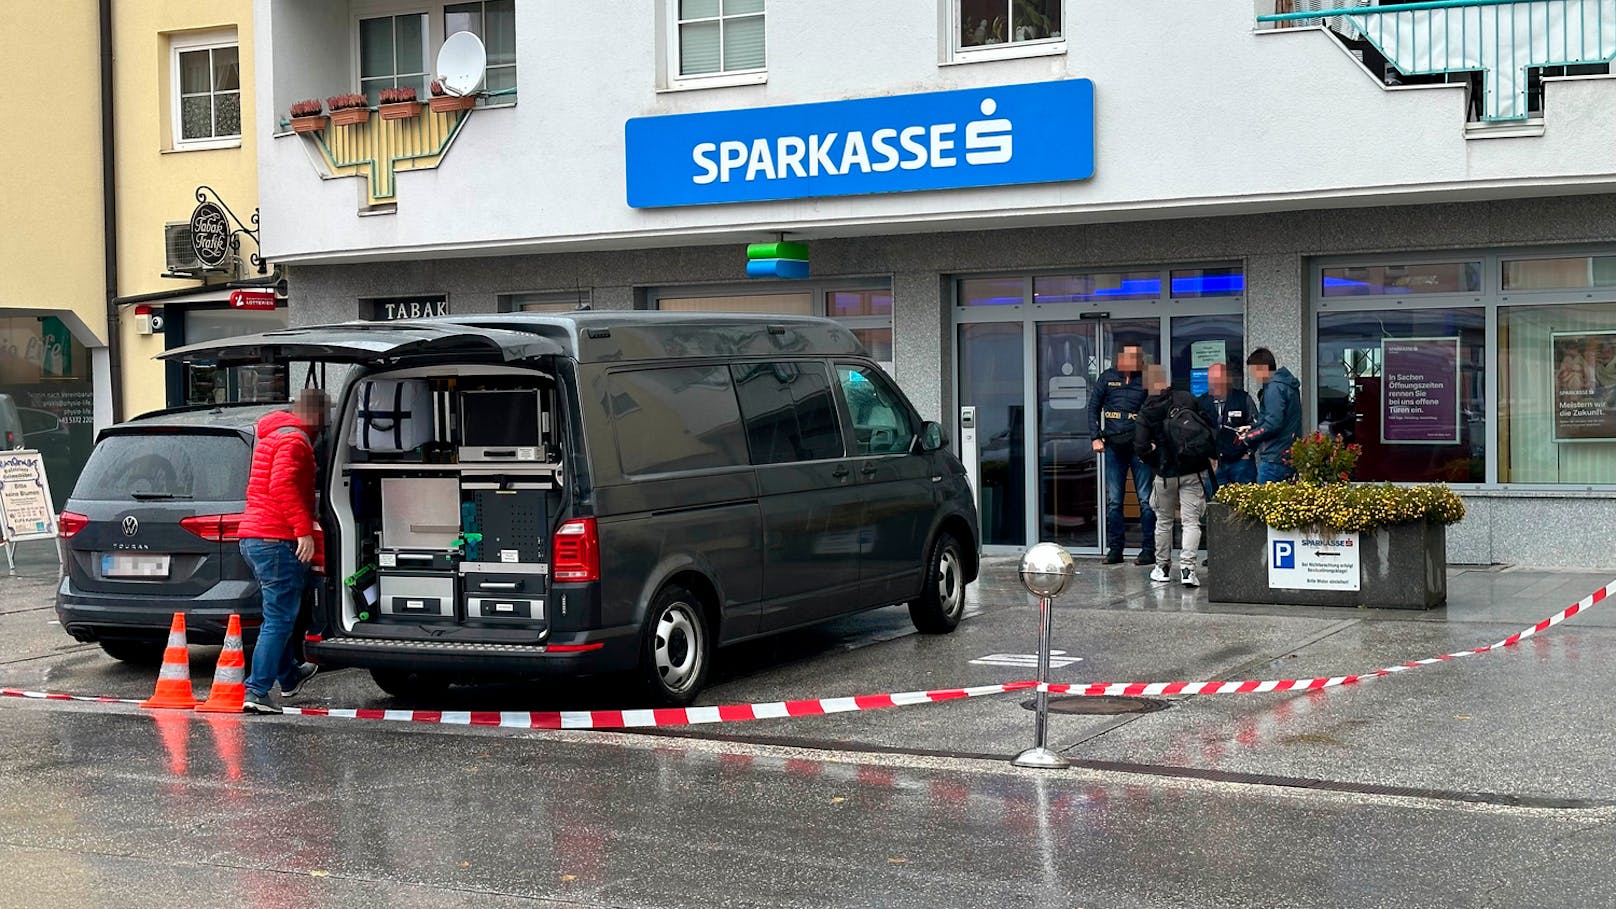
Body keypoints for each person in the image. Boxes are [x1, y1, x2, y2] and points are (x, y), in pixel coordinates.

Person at [239, 388, 327, 714]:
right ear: (314, 415)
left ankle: (289, 675)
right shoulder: (295, 440)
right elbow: (281, 485)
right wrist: (303, 531)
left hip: (254, 536)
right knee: (278, 618)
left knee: (281, 612)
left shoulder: (272, 436)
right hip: (275, 538)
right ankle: (257, 690)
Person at [1134, 365, 1213, 587]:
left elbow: (1140, 446)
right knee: (1191, 522)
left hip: (1165, 474)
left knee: (1164, 521)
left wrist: (1155, 460)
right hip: (1193, 470)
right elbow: (1207, 425)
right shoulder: (1188, 398)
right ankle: (1188, 570)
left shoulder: (1147, 409)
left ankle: (1163, 568)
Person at [1088, 344, 1155, 565]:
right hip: (1114, 447)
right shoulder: (1107, 378)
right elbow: (1093, 408)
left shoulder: (1147, 377)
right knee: (1115, 502)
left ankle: (1148, 550)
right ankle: (1115, 549)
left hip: (1139, 448)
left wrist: (1153, 441)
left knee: (1146, 501)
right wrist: (1095, 437)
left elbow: (1157, 409)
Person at [1240, 348, 1303, 484]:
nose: (1254, 377)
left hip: (1274, 457)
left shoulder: (1274, 388)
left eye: (1254, 372)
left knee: (1264, 501)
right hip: (1286, 454)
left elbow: (1273, 424)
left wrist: (1249, 436)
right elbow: (1272, 419)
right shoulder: (1285, 385)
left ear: (1263, 368)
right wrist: (1251, 427)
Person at [1197, 362, 1257, 492]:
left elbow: (1256, 426)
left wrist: (1248, 451)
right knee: (1215, 506)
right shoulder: (1201, 402)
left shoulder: (1243, 398)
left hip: (1241, 462)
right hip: (1214, 464)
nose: (1215, 383)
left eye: (1218, 379)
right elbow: (1197, 433)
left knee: (1245, 504)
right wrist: (1206, 457)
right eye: (1212, 379)